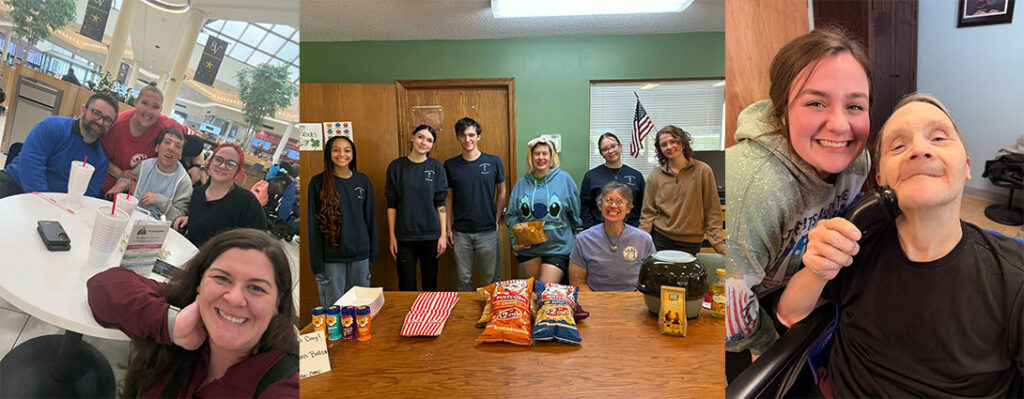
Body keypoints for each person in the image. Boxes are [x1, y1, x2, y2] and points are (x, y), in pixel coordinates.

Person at [776, 93, 1024, 397]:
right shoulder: (858, 245)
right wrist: (818, 269)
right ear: (881, 179)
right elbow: (790, 314)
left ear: (967, 165)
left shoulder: (1014, 278)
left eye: (938, 138)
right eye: (898, 146)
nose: (919, 149)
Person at [724, 27, 872, 375]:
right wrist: (767, 349)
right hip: (740, 320)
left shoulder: (858, 162)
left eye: (855, 106)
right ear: (783, 113)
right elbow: (730, 310)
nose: (840, 126)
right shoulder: (756, 185)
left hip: (795, 293)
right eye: (816, 103)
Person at [87, 228, 298, 398]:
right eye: (222, 278)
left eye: (256, 288)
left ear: (277, 304)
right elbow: (105, 284)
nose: (235, 299)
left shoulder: (285, 384)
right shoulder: (190, 320)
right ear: (199, 283)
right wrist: (172, 325)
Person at [0, 93, 117, 199]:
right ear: (84, 109)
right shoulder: (52, 126)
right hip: (16, 185)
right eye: (96, 113)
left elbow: (88, 197)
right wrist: (45, 202)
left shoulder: (101, 161)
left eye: (107, 120)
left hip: (57, 204)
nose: (100, 122)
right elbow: (30, 165)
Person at [308, 135, 377, 307]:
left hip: (360, 254)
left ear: (353, 154)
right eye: (336, 150)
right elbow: (313, 226)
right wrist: (316, 262)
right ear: (328, 153)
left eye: (347, 150)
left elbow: (370, 218)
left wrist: (373, 252)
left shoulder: (363, 181)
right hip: (331, 257)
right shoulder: (317, 183)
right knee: (334, 309)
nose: (342, 154)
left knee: (361, 308)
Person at [506, 136, 581, 284]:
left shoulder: (564, 179)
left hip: (557, 248)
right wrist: (516, 241)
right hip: (529, 249)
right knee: (536, 290)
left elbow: (575, 213)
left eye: (545, 153)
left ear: (551, 156)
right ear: (531, 157)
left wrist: (570, 233)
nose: (541, 158)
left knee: (546, 288)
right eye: (537, 154)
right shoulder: (521, 183)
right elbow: (512, 215)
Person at [639, 125, 724, 255]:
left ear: (683, 143)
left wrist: (718, 244)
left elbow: (712, 210)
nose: (669, 147)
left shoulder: (703, 171)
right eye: (664, 145)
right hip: (661, 239)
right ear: (660, 149)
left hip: (691, 242)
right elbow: (648, 214)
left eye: (673, 141)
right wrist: (640, 241)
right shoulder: (655, 176)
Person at [443, 117, 506, 292]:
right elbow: (448, 198)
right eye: (463, 135)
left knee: (492, 279)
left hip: (487, 231)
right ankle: (465, 310)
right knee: (463, 280)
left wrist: (496, 217)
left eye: (471, 135)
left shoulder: (494, 161)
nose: (467, 139)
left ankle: (494, 309)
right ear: (458, 137)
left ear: (478, 136)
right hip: (460, 232)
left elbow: (502, 191)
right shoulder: (450, 165)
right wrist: (448, 228)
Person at [385, 125, 448, 291]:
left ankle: (430, 311)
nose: (424, 142)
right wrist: (392, 236)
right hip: (404, 237)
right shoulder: (396, 167)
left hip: (431, 236)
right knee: (406, 287)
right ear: (412, 137)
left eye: (429, 140)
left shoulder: (436, 167)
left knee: (430, 286)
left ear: (432, 145)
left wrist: (443, 235)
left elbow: (441, 203)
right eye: (420, 137)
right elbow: (391, 204)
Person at [173, 143, 266, 246]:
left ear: (237, 170)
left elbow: (261, 243)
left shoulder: (247, 202)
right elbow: (211, 219)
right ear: (210, 162)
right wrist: (191, 219)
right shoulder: (197, 193)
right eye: (218, 159)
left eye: (231, 163)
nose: (222, 166)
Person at [100, 83, 187, 192]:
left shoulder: (165, 124)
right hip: (108, 187)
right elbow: (98, 154)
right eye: (145, 103)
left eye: (155, 107)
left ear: (161, 110)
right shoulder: (117, 125)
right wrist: (120, 173)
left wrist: (198, 164)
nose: (149, 111)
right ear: (136, 102)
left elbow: (193, 139)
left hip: (140, 193)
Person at [569, 182, 655, 291]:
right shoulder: (583, 240)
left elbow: (650, 280)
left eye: (619, 201)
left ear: (628, 209)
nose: (613, 206)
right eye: (609, 200)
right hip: (595, 298)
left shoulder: (644, 239)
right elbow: (577, 282)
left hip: (633, 297)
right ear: (600, 206)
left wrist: (633, 299)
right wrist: (599, 300)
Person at [108, 128, 192, 220]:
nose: (171, 148)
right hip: (131, 215)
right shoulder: (145, 165)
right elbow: (132, 181)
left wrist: (160, 200)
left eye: (178, 146)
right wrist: (123, 183)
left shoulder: (184, 182)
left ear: (180, 155)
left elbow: (178, 218)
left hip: (157, 225)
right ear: (157, 148)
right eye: (167, 142)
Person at [580, 133, 644, 229]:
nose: (610, 151)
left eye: (613, 146)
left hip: (631, 229)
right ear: (601, 153)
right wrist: (592, 229)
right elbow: (584, 207)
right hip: (600, 230)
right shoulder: (591, 176)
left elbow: (643, 207)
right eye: (605, 149)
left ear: (620, 147)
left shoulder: (636, 176)